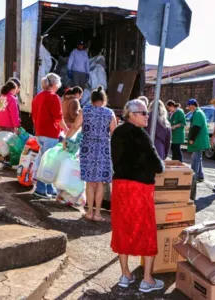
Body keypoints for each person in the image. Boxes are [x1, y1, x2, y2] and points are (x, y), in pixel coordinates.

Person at [110, 99, 165, 293]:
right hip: (139, 189)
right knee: (146, 231)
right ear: (131, 114)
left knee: (122, 228)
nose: (147, 116)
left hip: (119, 186)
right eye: (143, 113)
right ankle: (147, 280)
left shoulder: (117, 132)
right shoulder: (141, 135)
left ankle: (125, 274)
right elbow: (157, 165)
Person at [64, 86, 116, 221]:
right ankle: (98, 214)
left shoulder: (85, 110)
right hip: (104, 150)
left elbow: (75, 127)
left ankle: (89, 212)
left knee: (89, 182)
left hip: (88, 148)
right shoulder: (110, 113)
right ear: (104, 100)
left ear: (92, 100)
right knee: (99, 183)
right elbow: (114, 134)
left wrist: (67, 139)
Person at [31, 73, 69, 199]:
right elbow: (58, 118)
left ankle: (49, 188)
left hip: (40, 132)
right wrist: (67, 131)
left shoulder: (38, 97)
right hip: (50, 133)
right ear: (55, 84)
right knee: (48, 163)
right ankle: (41, 189)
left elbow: (34, 116)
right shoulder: (54, 97)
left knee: (44, 160)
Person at [0, 80, 21, 169]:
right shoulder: (12, 99)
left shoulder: (1, 97)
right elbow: (14, 114)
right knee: (11, 144)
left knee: (2, 144)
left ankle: (1, 162)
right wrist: (16, 126)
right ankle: (13, 164)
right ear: (13, 88)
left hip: (0, 124)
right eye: (16, 88)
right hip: (9, 124)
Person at [186, 99, 210, 182]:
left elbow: (196, 127)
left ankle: (193, 177)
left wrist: (192, 138)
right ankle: (200, 175)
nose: (189, 108)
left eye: (189, 107)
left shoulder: (198, 114)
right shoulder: (199, 112)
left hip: (198, 139)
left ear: (192, 105)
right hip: (200, 138)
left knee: (195, 158)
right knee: (198, 158)